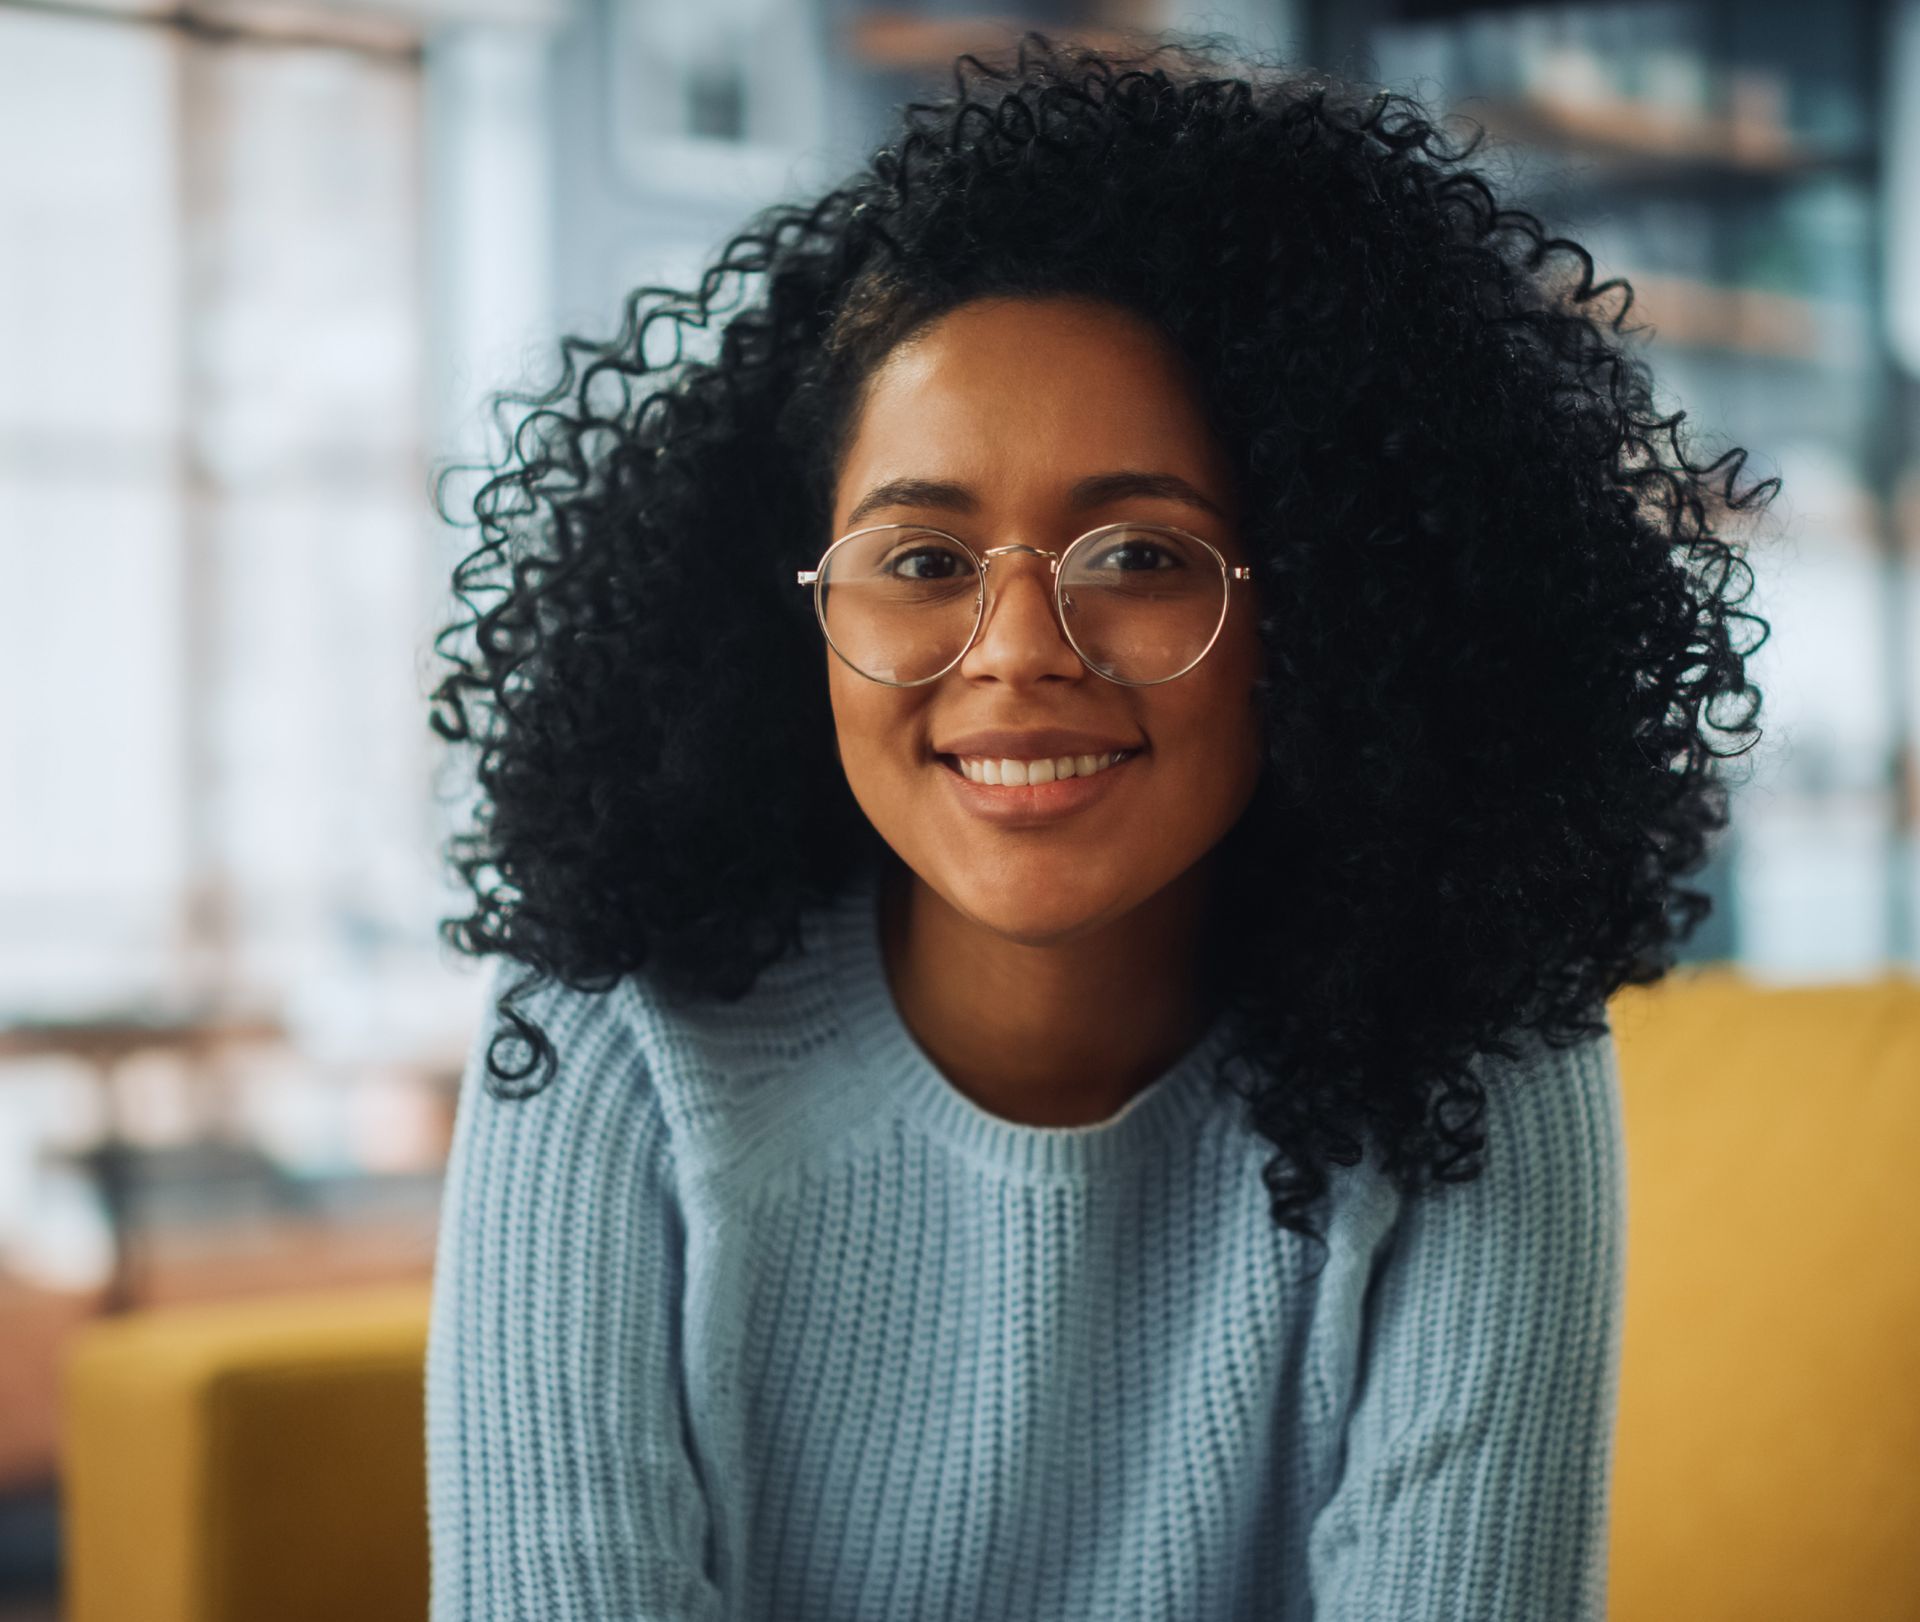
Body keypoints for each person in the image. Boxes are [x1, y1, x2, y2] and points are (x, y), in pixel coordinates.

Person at [422, 31, 1774, 1622]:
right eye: (921, 562)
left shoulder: (1474, 1056)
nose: (1014, 650)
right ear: (792, 612)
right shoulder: (608, 1031)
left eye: (1139, 555)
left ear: (1329, 611)